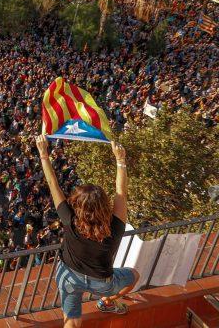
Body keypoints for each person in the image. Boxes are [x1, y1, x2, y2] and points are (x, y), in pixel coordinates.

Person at [36, 133, 139, 327]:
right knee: (134, 276)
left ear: (77, 205)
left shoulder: (70, 219)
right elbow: (121, 193)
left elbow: (53, 184)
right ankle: (107, 302)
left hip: (68, 275)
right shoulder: (115, 226)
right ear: (104, 205)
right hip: (101, 282)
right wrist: (120, 160)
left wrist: (43, 154)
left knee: (72, 321)